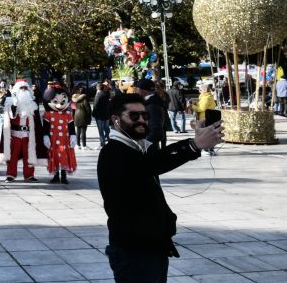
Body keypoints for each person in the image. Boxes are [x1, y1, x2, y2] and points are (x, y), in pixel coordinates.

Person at [98, 92, 223, 282]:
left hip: (151, 247)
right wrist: (194, 145)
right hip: (133, 251)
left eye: (144, 115)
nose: (141, 120)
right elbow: (151, 164)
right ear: (116, 119)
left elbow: (154, 158)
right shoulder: (113, 152)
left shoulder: (138, 147)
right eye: (134, 116)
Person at [134, 78, 166, 152]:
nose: (136, 91)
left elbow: (156, 130)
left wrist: (145, 145)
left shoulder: (152, 105)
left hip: (149, 149)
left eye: (137, 88)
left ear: (143, 90)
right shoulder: (152, 102)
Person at [72, 84, 91, 150]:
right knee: (83, 131)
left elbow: (73, 109)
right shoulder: (84, 99)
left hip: (76, 115)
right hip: (83, 115)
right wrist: (89, 116)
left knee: (78, 131)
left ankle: (78, 145)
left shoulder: (74, 99)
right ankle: (84, 145)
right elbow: (88, 109)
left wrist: (73, 117)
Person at [91, 82, 111, 147]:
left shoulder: (98, 95)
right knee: (106, 128)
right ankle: (109, 140)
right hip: (107, 114)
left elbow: (95, 105)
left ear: (97, 88)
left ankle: (103, 143)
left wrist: (93, 114)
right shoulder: (107, 94)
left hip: (99, 115)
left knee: (101, 130)